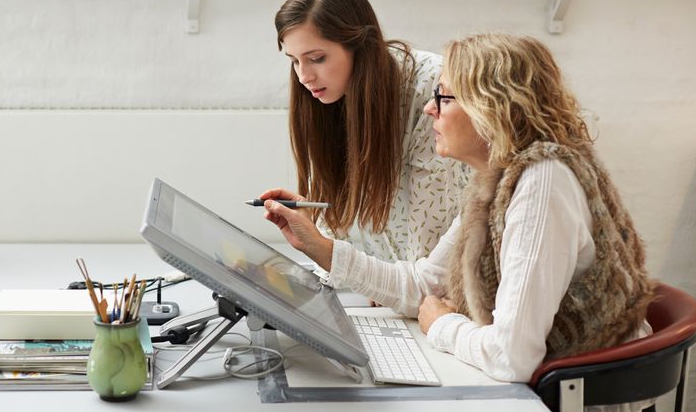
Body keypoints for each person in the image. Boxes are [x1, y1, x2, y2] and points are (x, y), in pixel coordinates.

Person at [261, 33, 655, 395]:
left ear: (494, 108)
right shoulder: (496, 179)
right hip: (546, 380)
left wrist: (444, 326)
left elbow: (512, 356)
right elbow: (425, 284)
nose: (430, 110)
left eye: (445, 98)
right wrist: (318, 246)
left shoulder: (542, 183)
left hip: (583, 392)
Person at [263, 0, 468, 264]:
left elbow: (431, 239)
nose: (303, 76)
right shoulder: (329, 94)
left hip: (445, 284)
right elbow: (348, 221)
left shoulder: (432, 89)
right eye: (294, 60)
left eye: (317, 58)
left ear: (358, 45)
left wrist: (385, 283)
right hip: (400, 284)